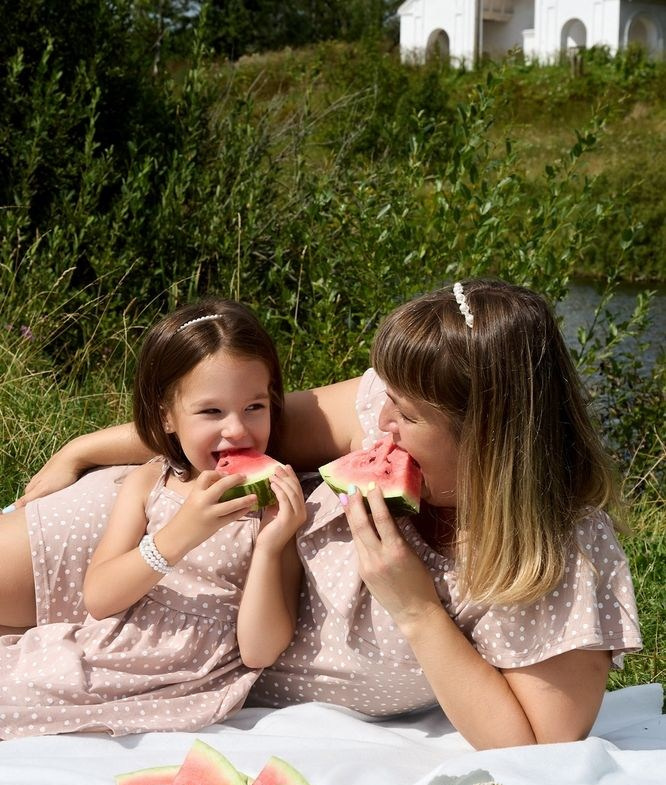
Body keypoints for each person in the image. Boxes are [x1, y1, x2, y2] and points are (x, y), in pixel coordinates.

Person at [0, 280, 641, 749]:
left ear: (490, 437)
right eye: (382, 399)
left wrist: (417, 610)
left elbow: (537, 750)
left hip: (187, 660)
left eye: (407, 417)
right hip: (159, 531)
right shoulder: (381, 408)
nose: (377, 427)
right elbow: (232, 427)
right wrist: (81, 449)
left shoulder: (561, 553)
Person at [0, 299, 306, 738]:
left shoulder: (275, 506)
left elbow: (259, 651)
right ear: (167, 417)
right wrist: (181, 533)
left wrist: (273, 544)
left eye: (255, 407)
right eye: (212, 412)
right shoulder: (149, 482)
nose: (237, 429)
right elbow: (100, 599)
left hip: (185, 683)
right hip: (103, 654)